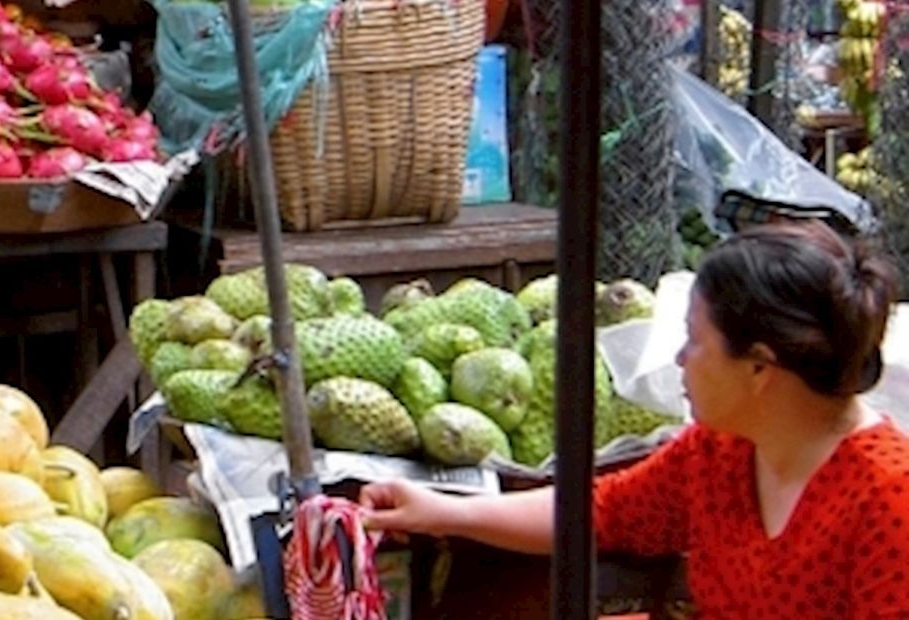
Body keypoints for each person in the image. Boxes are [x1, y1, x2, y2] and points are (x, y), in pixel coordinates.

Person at [360, 220, 908, 618]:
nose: (678, 361)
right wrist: (446, 513)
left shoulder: (888, 499)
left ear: (760, 366)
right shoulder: (718, 451)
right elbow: (602, 511)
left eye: (695, 341)